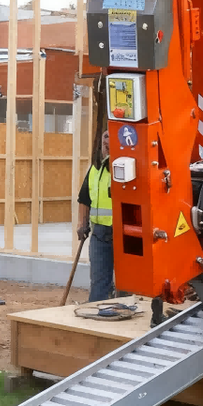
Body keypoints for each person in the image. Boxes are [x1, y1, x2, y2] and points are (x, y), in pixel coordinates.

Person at [76, 129, 114, 302]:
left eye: (111, 138)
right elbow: (84, 199)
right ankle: (96, 308)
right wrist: (81, 224)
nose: (107, 142)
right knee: (99, 281)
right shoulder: (95, 169)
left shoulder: (124, 168)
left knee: (126, 285)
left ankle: (123, 310)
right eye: (105, 137)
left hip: (122, 234)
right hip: (100, 234)